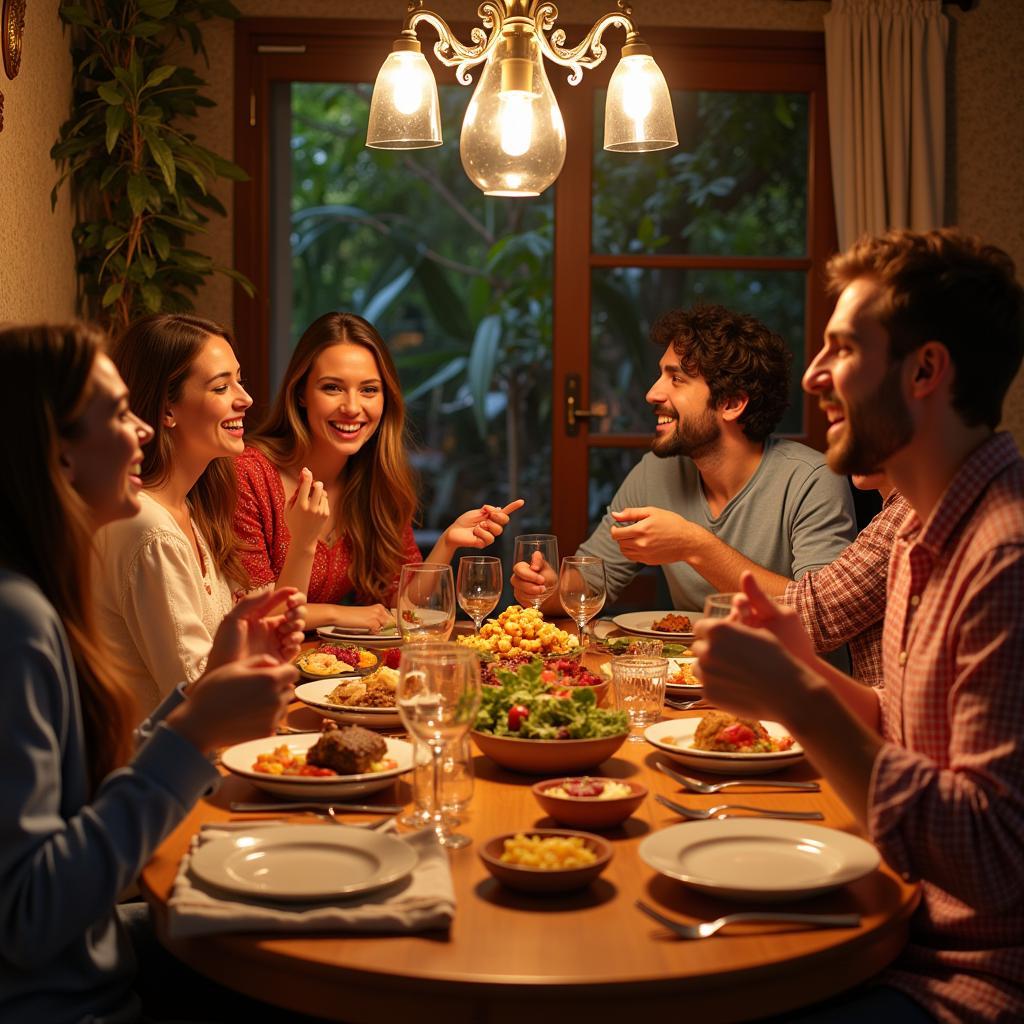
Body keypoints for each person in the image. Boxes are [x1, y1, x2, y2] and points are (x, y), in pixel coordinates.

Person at [693, 229, 1024, 1022]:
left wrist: (799, 701)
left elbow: (993, 857)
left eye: (841, 349)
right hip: (889, 917)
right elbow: (907, 736)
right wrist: (803, 669)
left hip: (959, 977)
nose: (813, 377)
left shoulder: (1005, 557)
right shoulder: (919, 527)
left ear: (924, 371)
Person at [0, 323, 306, 1023]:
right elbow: (28, 918)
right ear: (59, 455)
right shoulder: (16, 623)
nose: (140, 429)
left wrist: (199, 693)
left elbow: (84, 801)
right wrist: (194, 728)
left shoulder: (41, 591)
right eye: (115, 412)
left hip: (98, 953)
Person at [512, 304, 856, 612]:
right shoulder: (656, 472)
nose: (652, 393)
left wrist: (695, 546)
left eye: (676, 378)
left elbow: (819, 612)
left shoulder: (813, 479)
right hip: (689, 677)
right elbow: (589, 586)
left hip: (788, 682)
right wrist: (543, 589)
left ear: (731, 404)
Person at [236, 311, 523, 630]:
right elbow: (257, 614)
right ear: (301, 392)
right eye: (332, 388)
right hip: (265, 671)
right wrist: (337, 614)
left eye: (369, 390)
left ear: (386, 399)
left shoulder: (376, 481)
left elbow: (401, 609)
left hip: (338, 671)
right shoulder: (249, 474)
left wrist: (447, 542)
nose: (352, 407)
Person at [93, 314, 272, 715]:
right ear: (167, 409)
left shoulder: (188, 507)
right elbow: (195, 699)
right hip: (159, 767)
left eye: (239, 381)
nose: (244, 399)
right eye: (221, 387)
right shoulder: (149, 528)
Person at [781, 471, 913, 687]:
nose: (838, 437)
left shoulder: (906, 514)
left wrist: (719, 619)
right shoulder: (899, 509)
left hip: (893, 716)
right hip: (886, 707)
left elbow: (813, 615)